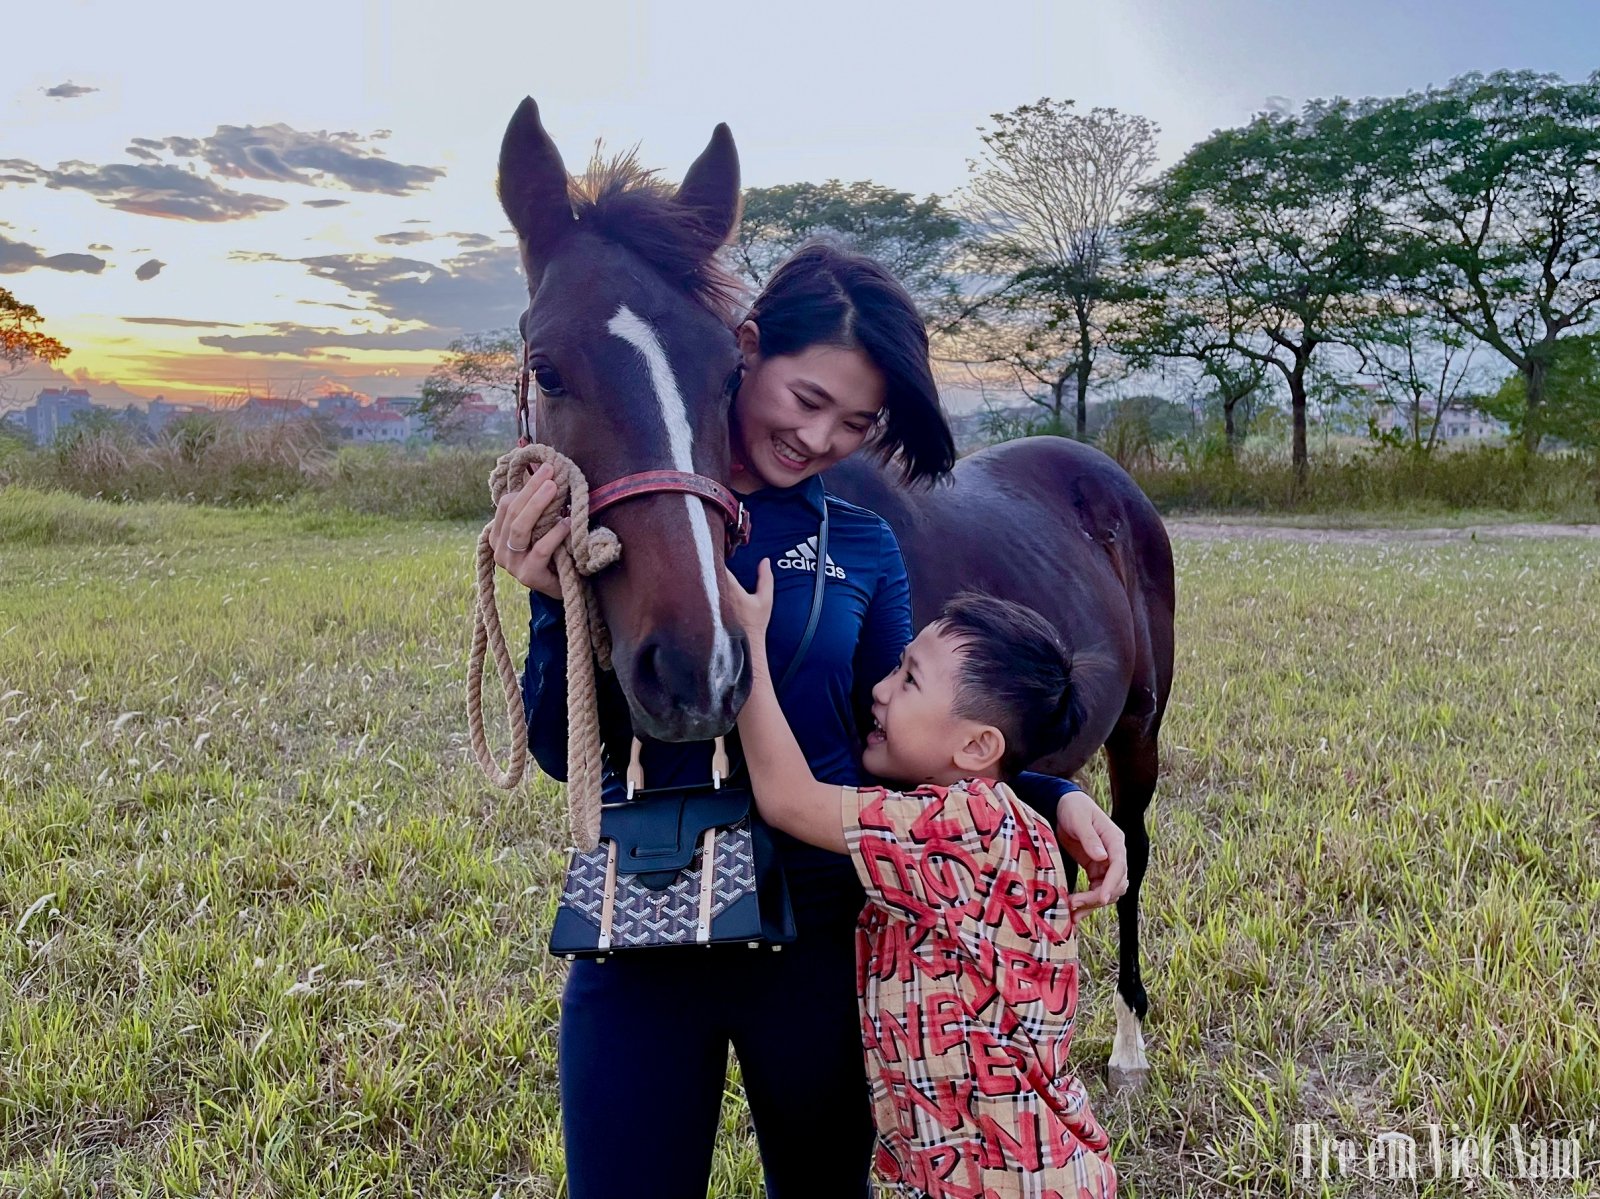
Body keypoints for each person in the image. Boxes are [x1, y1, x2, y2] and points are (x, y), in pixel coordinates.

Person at [489, 243, 1128, 1199]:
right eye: (808, 398)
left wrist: (1050, 792)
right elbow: (563, 749)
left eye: (856, 421)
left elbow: (906, 742)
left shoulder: (863, 543)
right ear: (745, 350)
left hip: (821, 936)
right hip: (644, 920)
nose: (821, 436)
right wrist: (550, 599)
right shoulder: (630, 510)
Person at [725, 569, 1119, 1199]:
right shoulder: (991, 816)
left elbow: (790, 801)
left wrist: (743, 641)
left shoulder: (962, 824)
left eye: (908, 679)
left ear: (976, 746)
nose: (877, 689)